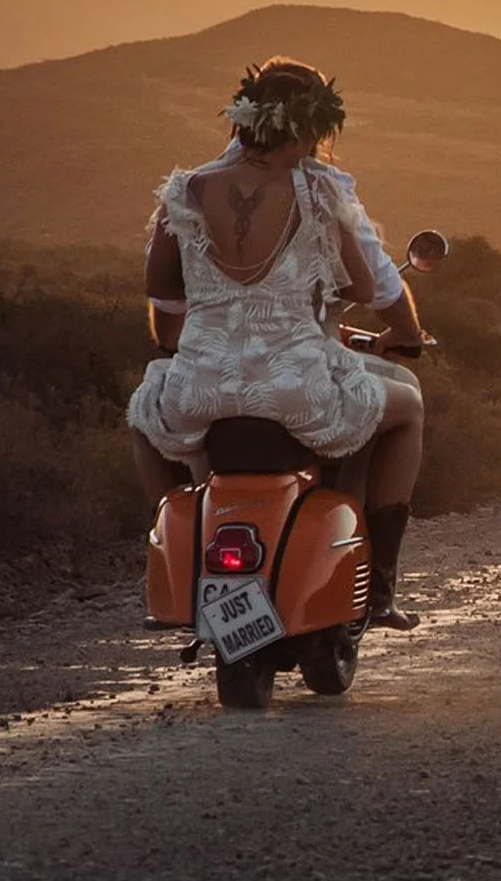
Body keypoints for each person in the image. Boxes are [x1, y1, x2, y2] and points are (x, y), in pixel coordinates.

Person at [125, 58, 426, 630]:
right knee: (408, 408)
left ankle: (179, 540)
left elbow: (159, 287)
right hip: (297, 390)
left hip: (203, 387)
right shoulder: (316, 192)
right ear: (311, 129)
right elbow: (366, 286)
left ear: (244, 121)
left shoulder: (187, 190)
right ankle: (380, 588)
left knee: (144, 412)